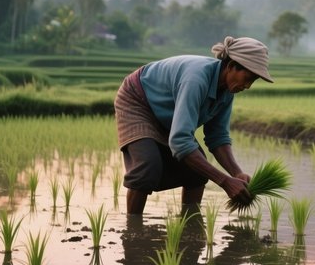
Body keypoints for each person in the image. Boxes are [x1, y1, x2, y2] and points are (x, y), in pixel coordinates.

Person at [114, 36, 274, 215]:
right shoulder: (196, 79)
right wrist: (224, 181)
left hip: (168, 110)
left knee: (197, 171)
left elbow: (217, 137)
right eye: (248, 77)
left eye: (253, 81)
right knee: (148, 165)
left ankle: (190, 227)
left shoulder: (228, 91)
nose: (248, 86)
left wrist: (236, 173)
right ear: (231, 67)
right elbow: (181, 141)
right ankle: (133, 231)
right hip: (139, 101)